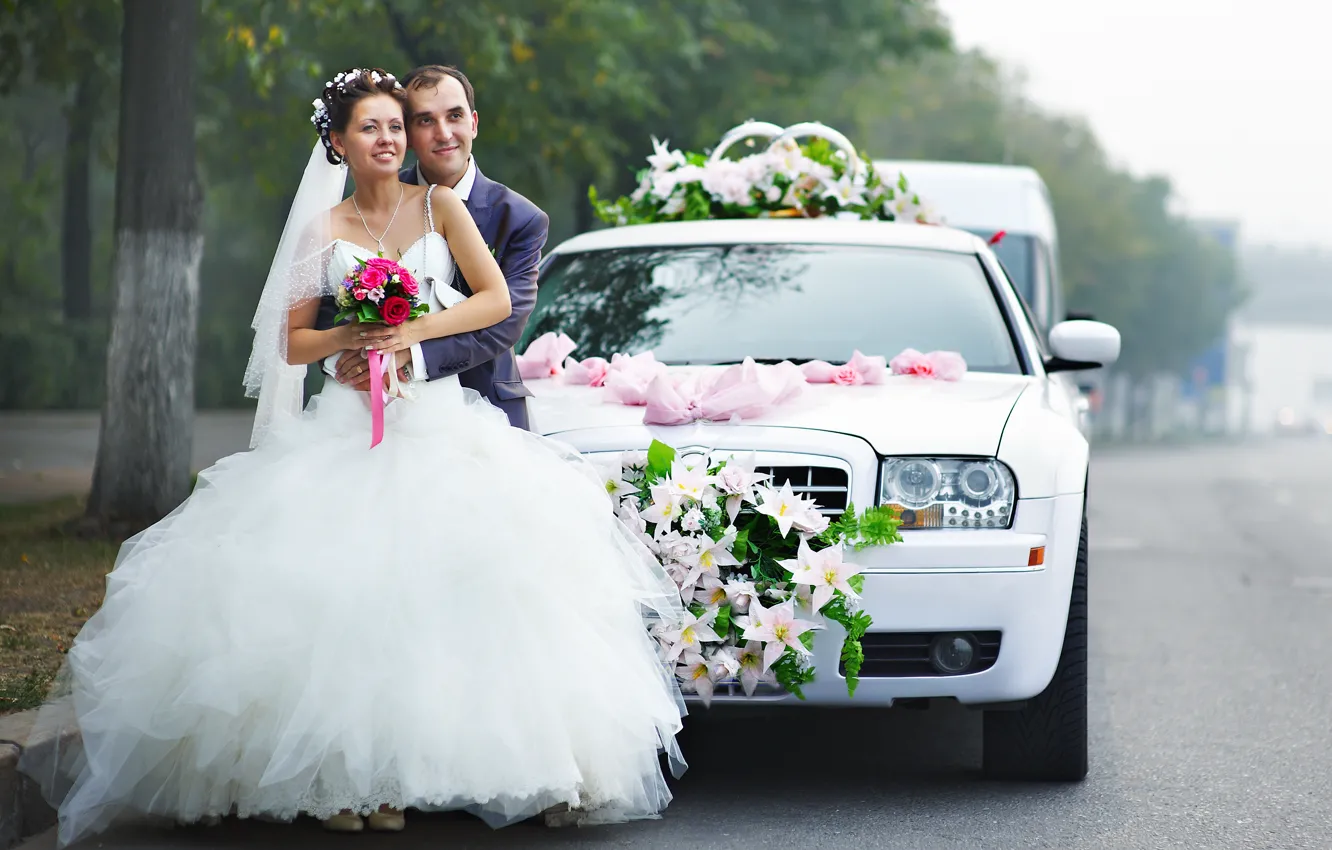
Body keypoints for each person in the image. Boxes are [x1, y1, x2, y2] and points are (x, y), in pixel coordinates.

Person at [21, 67, 686, 847]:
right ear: (337, 142)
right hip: (344, 425)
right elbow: (294, 338)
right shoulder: (321, 230)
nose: (390, 140)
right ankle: (342, 778)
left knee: (448, 592)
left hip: (437, 422)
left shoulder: (439, 207)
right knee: (343, 597)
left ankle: (437, 770)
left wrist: (408, 332)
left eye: (395, 127)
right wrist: (351, 335)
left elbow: (496, 301)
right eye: (372, 128)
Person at [321, 64, 547, 431]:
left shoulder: (520, 218)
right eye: (425, 121)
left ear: (473, 122)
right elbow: (331, 299)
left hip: (486, 410)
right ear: (407, 131)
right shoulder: (376, 197)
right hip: (376, 407)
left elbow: (503, 321)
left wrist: (410, 353)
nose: (444, 134)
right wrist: (348, 362)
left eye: (454, 116)